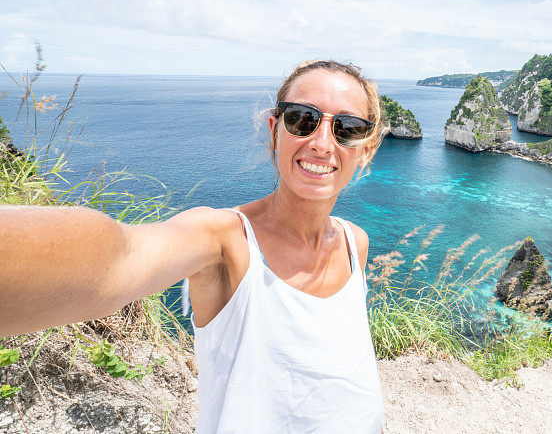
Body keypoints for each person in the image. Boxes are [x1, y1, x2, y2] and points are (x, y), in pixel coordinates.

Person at [0, 60, 387, 433]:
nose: (321, 143)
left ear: (366, 150)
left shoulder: (355, 243)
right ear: (274, 130)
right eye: (301, 119)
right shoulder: (226, 240)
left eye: (348, 129)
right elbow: (121, 257)